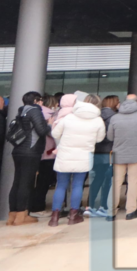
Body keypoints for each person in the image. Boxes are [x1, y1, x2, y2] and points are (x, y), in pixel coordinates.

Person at [48, 93, 105, 228]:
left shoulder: (69, 117)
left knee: (61, 185)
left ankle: (54, 217)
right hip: (84, 156)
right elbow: (99, 139)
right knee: (78, 185)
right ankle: (73, 216)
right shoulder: (98, 120)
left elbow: (55, 133)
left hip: (65, 155)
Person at [105, 97, 137, 219]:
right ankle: (131, 211)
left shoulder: (115, 118)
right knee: (133, 182)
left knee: (116, 183)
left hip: (118, 154)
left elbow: (110, 137)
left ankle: (111, 212)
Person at [6, 91, 51, 226]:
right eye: (41, 100)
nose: (42, 102)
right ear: (36, 101)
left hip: (18, 150)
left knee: (17, 182)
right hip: (31, 152)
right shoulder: (35, 111)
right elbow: (41, 131)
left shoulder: (21, 111)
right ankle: (22, 215)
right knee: (26, 183)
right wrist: (49, 123)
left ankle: (12, 216)